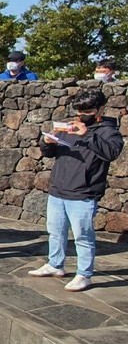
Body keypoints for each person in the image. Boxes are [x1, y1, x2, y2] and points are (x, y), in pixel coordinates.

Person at [28, 89, 124, 291]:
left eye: (87, 111)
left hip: (83, 192)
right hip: (58, 188)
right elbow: (51, 153)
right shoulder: (70, 126)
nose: (81, 115)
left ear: (100, 109)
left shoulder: (109, 131)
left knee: (83, 236)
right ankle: (55, 264)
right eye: (79, 110)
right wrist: (47, 142)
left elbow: (111, 153)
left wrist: (87, 134)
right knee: (55, 231)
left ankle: (84, 274)